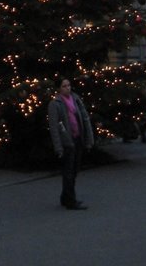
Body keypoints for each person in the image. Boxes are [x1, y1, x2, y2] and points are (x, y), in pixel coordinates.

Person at [48, 77, 94, 210]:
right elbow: (54, 128)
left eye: (68, 85)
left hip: (78, 138)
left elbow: (84, 118)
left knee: (74, 170)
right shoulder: (55, 104)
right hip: (67, 142)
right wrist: (58, 147)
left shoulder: (75, 99)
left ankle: (65, 197)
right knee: (68, 172)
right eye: (64, 86)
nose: (67, 88)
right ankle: (70, 200)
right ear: (59, 89)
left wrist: (89, 139)